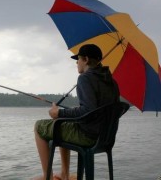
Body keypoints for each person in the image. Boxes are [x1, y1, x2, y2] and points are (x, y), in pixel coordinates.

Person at [33, 44, 120, 180]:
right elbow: (97, 110)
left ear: (85, 59)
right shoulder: (112, 82)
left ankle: (48, 176)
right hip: (106, 138)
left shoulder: (85, 78)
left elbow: (88, 109)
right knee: (62, 123)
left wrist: (58, 113)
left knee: (39, 126)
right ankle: (64, 173)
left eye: (78, 59)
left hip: (88, 136)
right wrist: (64, 114)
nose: (76, 63)